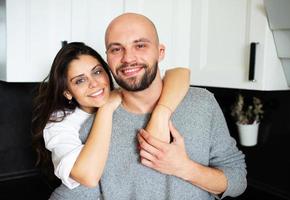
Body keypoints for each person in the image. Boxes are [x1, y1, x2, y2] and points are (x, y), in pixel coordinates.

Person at [82, 12, 246, 199]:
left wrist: (185, 168)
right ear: (108, 59)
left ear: (160, 52)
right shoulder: (95, 124)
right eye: (116, 49)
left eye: (140, 45)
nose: (128, 58)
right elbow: (80, 190)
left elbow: (238, 178)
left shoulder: (202, 103)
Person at [31, 42, 190, 199]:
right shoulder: (59, 124)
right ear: (67, 93)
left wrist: (161, 114)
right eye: (80, 80)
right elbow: (89, 176)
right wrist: (105, 110)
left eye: (97, 72)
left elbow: (180, 73)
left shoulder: (122, 91)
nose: (94, 83)